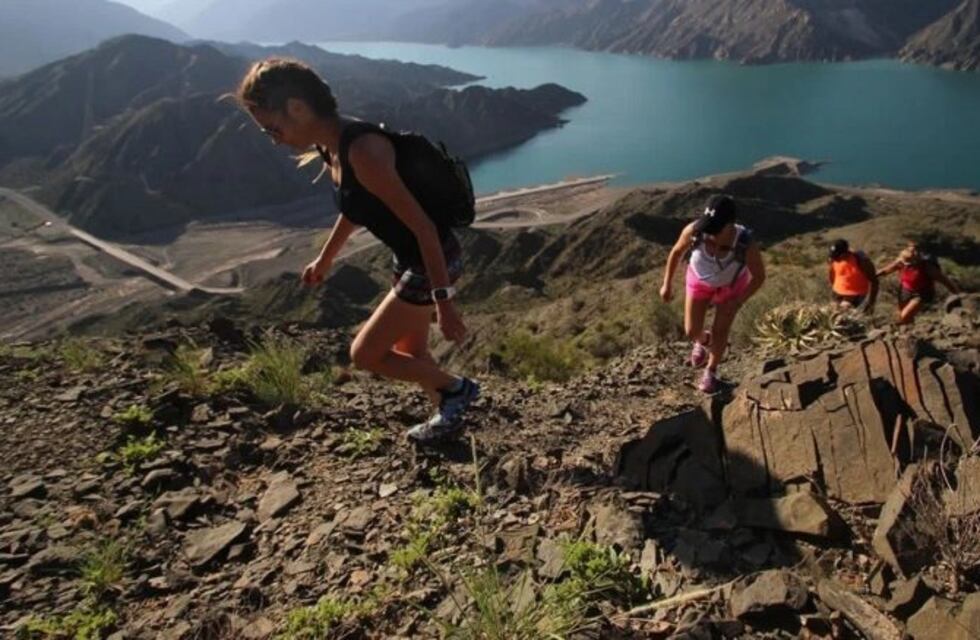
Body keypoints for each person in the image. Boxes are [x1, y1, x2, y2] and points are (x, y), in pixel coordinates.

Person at [233, 58, 479, 443]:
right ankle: (447, 417)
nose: (274, 138)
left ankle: (459, 391)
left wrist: (444, 303)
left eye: (272, 128)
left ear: (297, 108)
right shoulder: (333, 148)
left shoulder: (363, 151)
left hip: (432, 261)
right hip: (413, 258)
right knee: (410, 352)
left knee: (364, 354)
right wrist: (326, 258)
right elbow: (356, 209)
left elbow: (425, 228)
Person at [660, 195, 766, 393]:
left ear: (730, 225)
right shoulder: (696, 231)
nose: (711, 233)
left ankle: (711, 371)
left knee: (721, 330)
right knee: (691, 330)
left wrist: (738, 301)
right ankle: (703, 340)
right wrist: (667, 284)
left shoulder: (745, 243)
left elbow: (759, 276)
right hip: (699, 281)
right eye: (709, 226)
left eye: (716, 228)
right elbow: (676, 252)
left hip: (732, 286)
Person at [877, 241, 959, 324]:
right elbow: (885, 270)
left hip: (921, 293)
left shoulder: (927, 267)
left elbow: (945, 280)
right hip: (905, 291)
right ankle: (908, 332)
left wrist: (957, 294)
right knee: (903, 317)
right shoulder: (901, 262)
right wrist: (874, 275)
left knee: (904, 315)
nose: (906, 265)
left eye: (909, 263)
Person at [827, 239, 878, 312]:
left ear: (845, 253)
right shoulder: (833, 258)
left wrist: (871, 304)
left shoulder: (861, 261)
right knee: (830, 312)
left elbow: (874, 282)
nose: (835, 259)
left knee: (842, 313)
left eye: (838, 257)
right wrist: (833, 289)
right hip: (837, 291)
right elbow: (831, 274)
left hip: (855, 293)